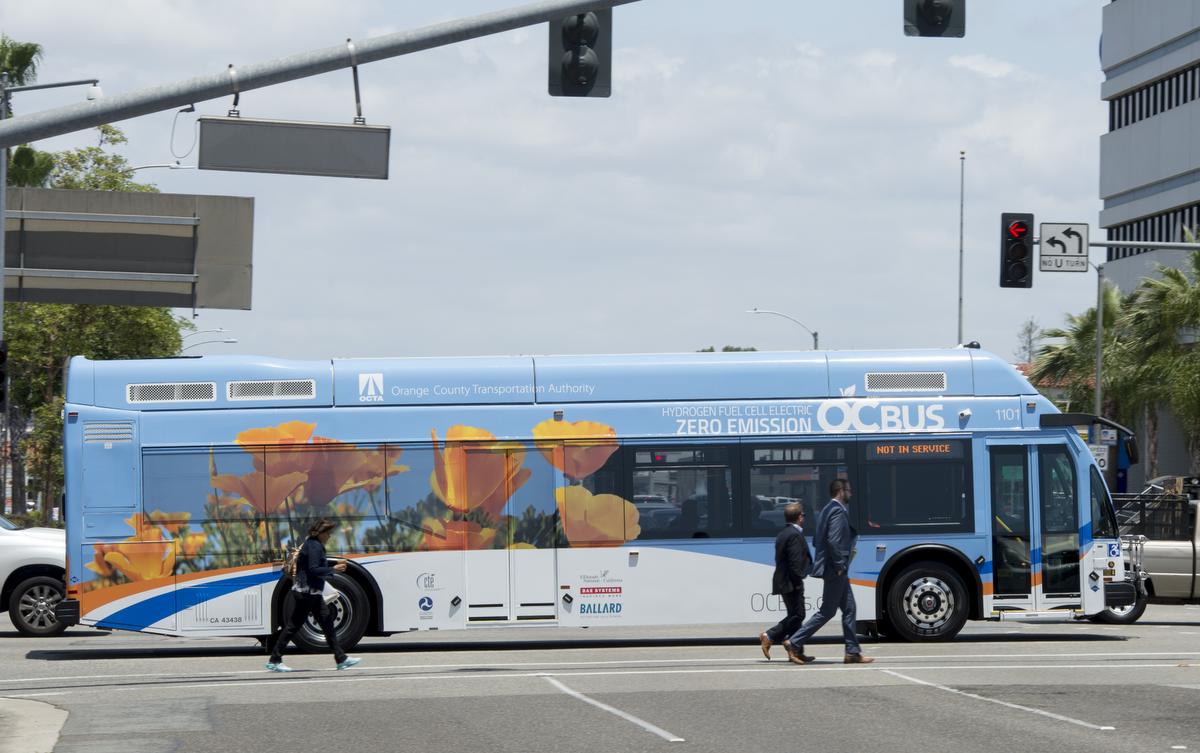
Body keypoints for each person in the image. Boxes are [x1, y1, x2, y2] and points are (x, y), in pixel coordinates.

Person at [783, 479, 873, 665]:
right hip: (836, 570)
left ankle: (852, 652)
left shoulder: (825, 510)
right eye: (849, 490)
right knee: (827, 611)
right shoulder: (838, 511)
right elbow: (832, 540)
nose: (851, 493)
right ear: (841, 491)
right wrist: (840, 565)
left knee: (849, 608)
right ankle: (794, 642)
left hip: (835, 568)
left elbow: (817, 540)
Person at [266, 518, 362, 672]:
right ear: (320, 533)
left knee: (327, 624)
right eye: (328, 533)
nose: (329, 536)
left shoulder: (312, 544)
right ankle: (275, 659)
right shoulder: (314, 547)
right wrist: (333, 569)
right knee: (293, 626)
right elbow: (313, 569)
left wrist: (330, 569)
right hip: (306, 592)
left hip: (310, 592)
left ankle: (341, 658)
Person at [758, 503, 814, 662]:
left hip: (784, 581)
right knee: (798, 615)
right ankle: (768, 636)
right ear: (799, 517)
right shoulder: (794, 535)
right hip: (791, 582)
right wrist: (802, 576)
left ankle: (796, 651)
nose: (804, 517)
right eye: (803, 514)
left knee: (795, 616)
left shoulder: (784, 533)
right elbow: (795, 562)